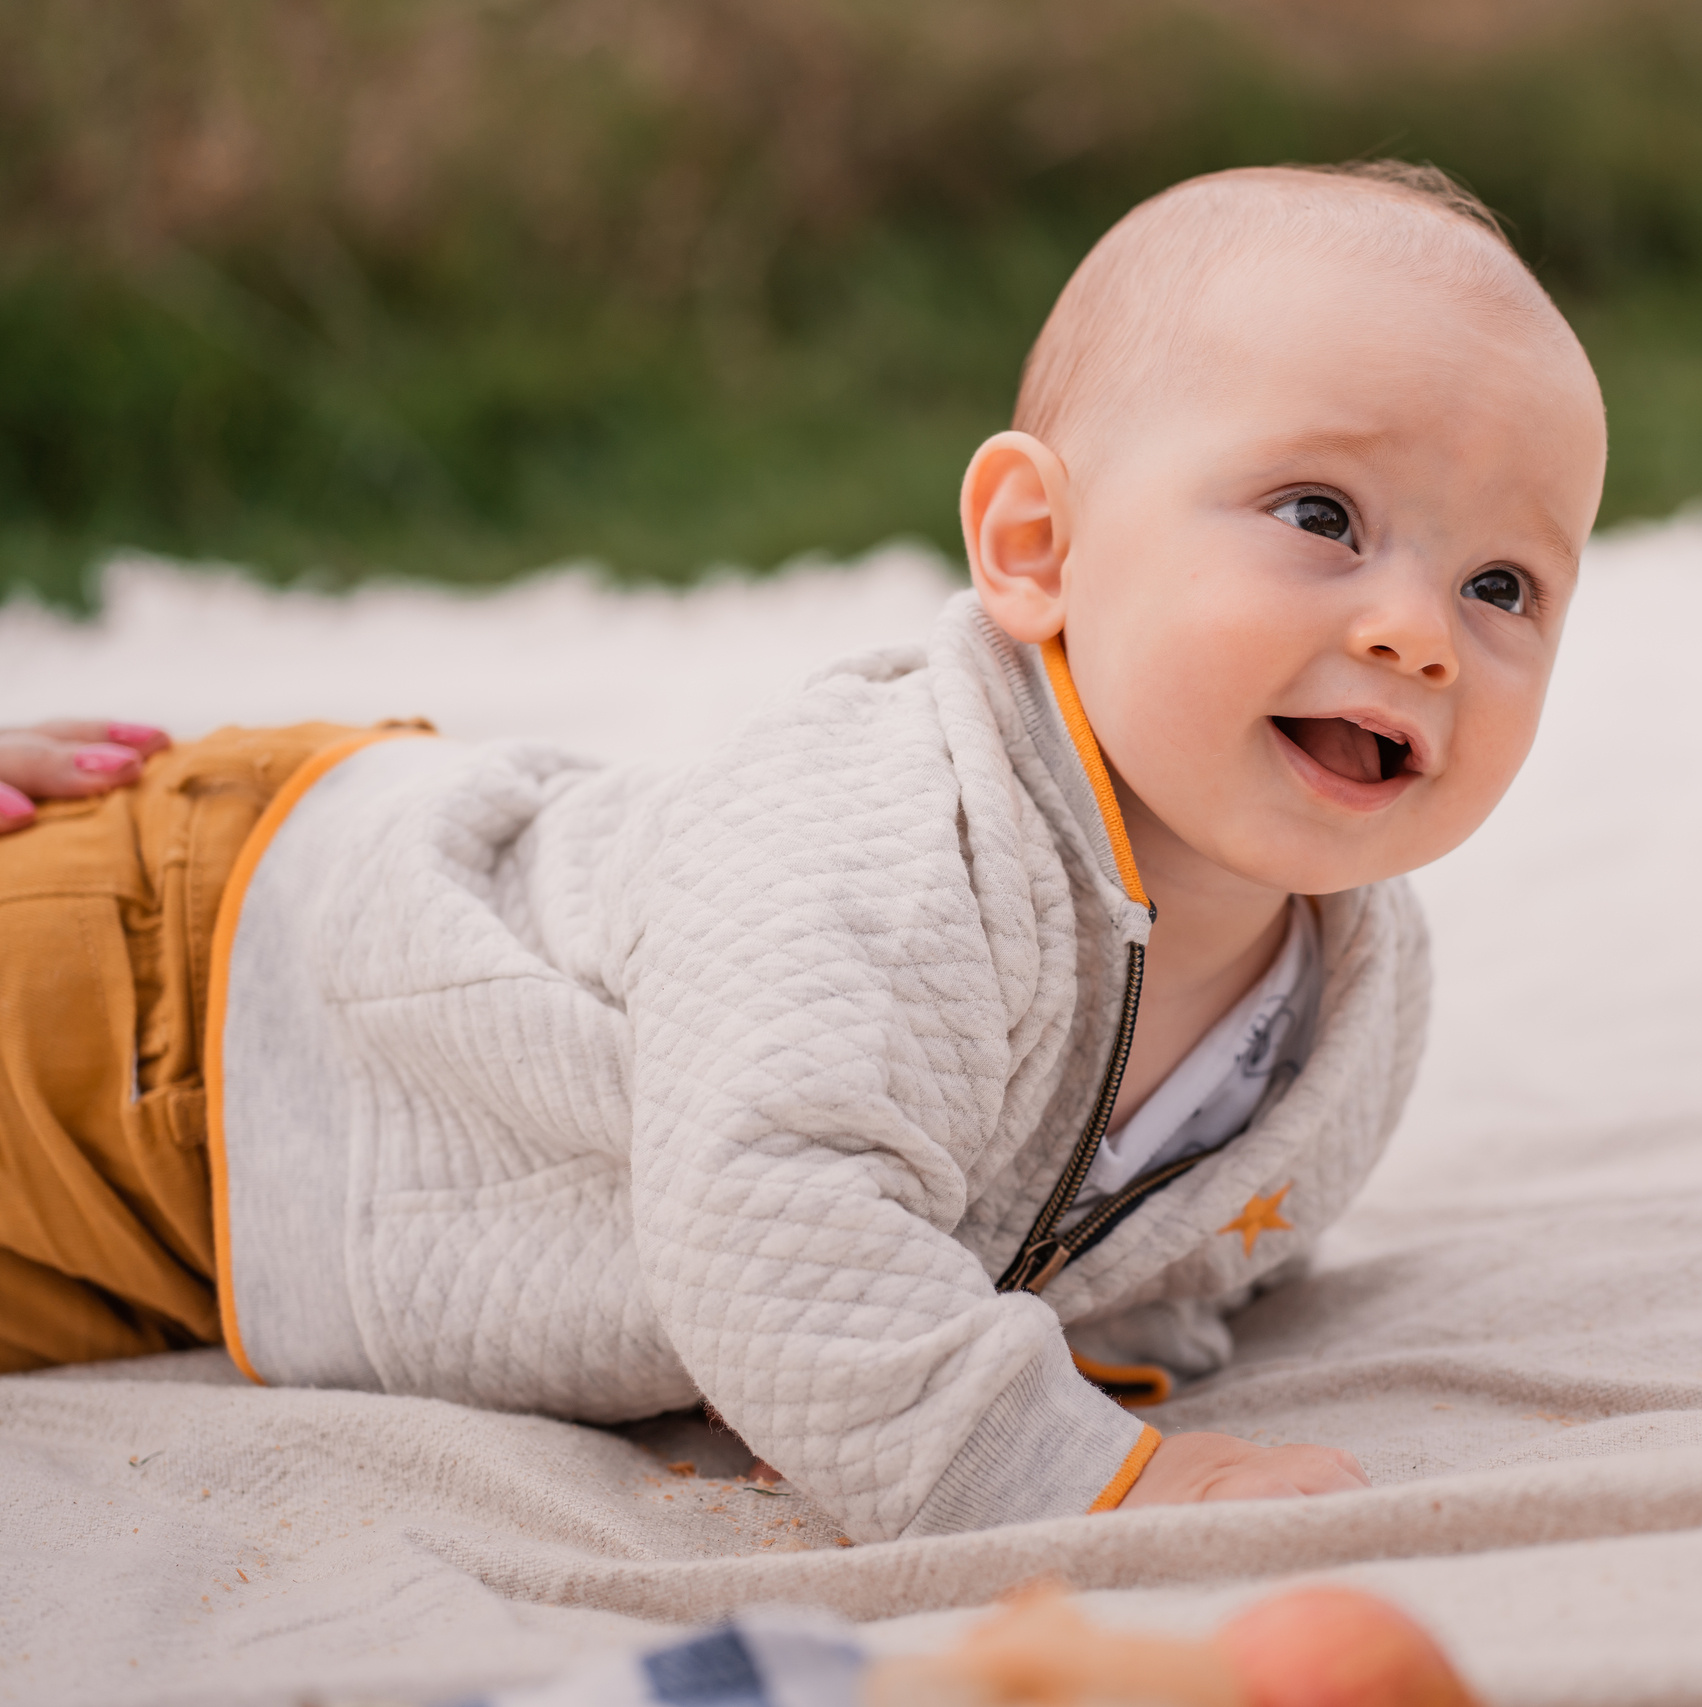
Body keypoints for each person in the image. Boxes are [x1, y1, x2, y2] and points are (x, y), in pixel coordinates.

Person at [0, 161, 1609, 1543]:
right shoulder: (890, 834)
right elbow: (770, 1212)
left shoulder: (1351, 998)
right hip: (195, 991)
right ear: (1037, 550)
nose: (1418, 634)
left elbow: (1187, 1249)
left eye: (1504, 586)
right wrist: (1077, 1473)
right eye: (1320, 516)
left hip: (232, 1241)